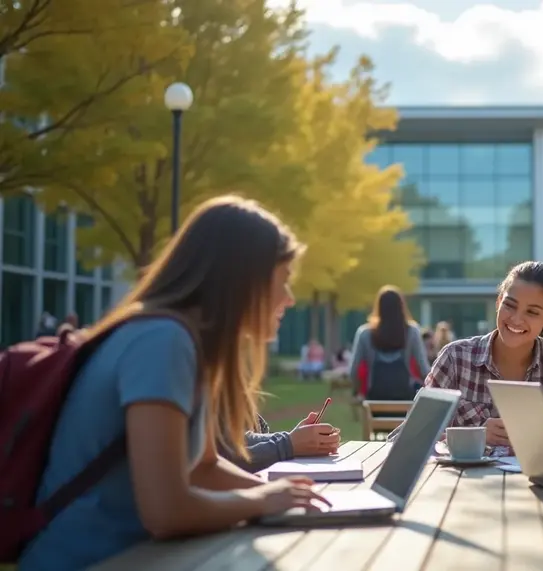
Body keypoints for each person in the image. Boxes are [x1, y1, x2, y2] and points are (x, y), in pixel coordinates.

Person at [20, 196, 329, 570]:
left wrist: (290, 499)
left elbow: (204, 468)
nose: (289, 299)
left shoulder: (182, 341)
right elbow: (166, 512)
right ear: (243, 279)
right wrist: (262, 501)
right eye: (283, 279)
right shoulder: (163, 342)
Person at [408, 261, 543, 448]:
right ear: (499, 301)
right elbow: (410, 436)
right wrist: (475, 436)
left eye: (532, 312)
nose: (517, 319)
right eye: (510, 305)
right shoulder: (455, 359)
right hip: (466, 481)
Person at [349, 285, 430, 401]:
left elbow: (353, 371)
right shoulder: (412, 331)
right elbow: (424, 369)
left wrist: (357, 391)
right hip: (404, 396)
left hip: (375, 398)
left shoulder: (364, 333)